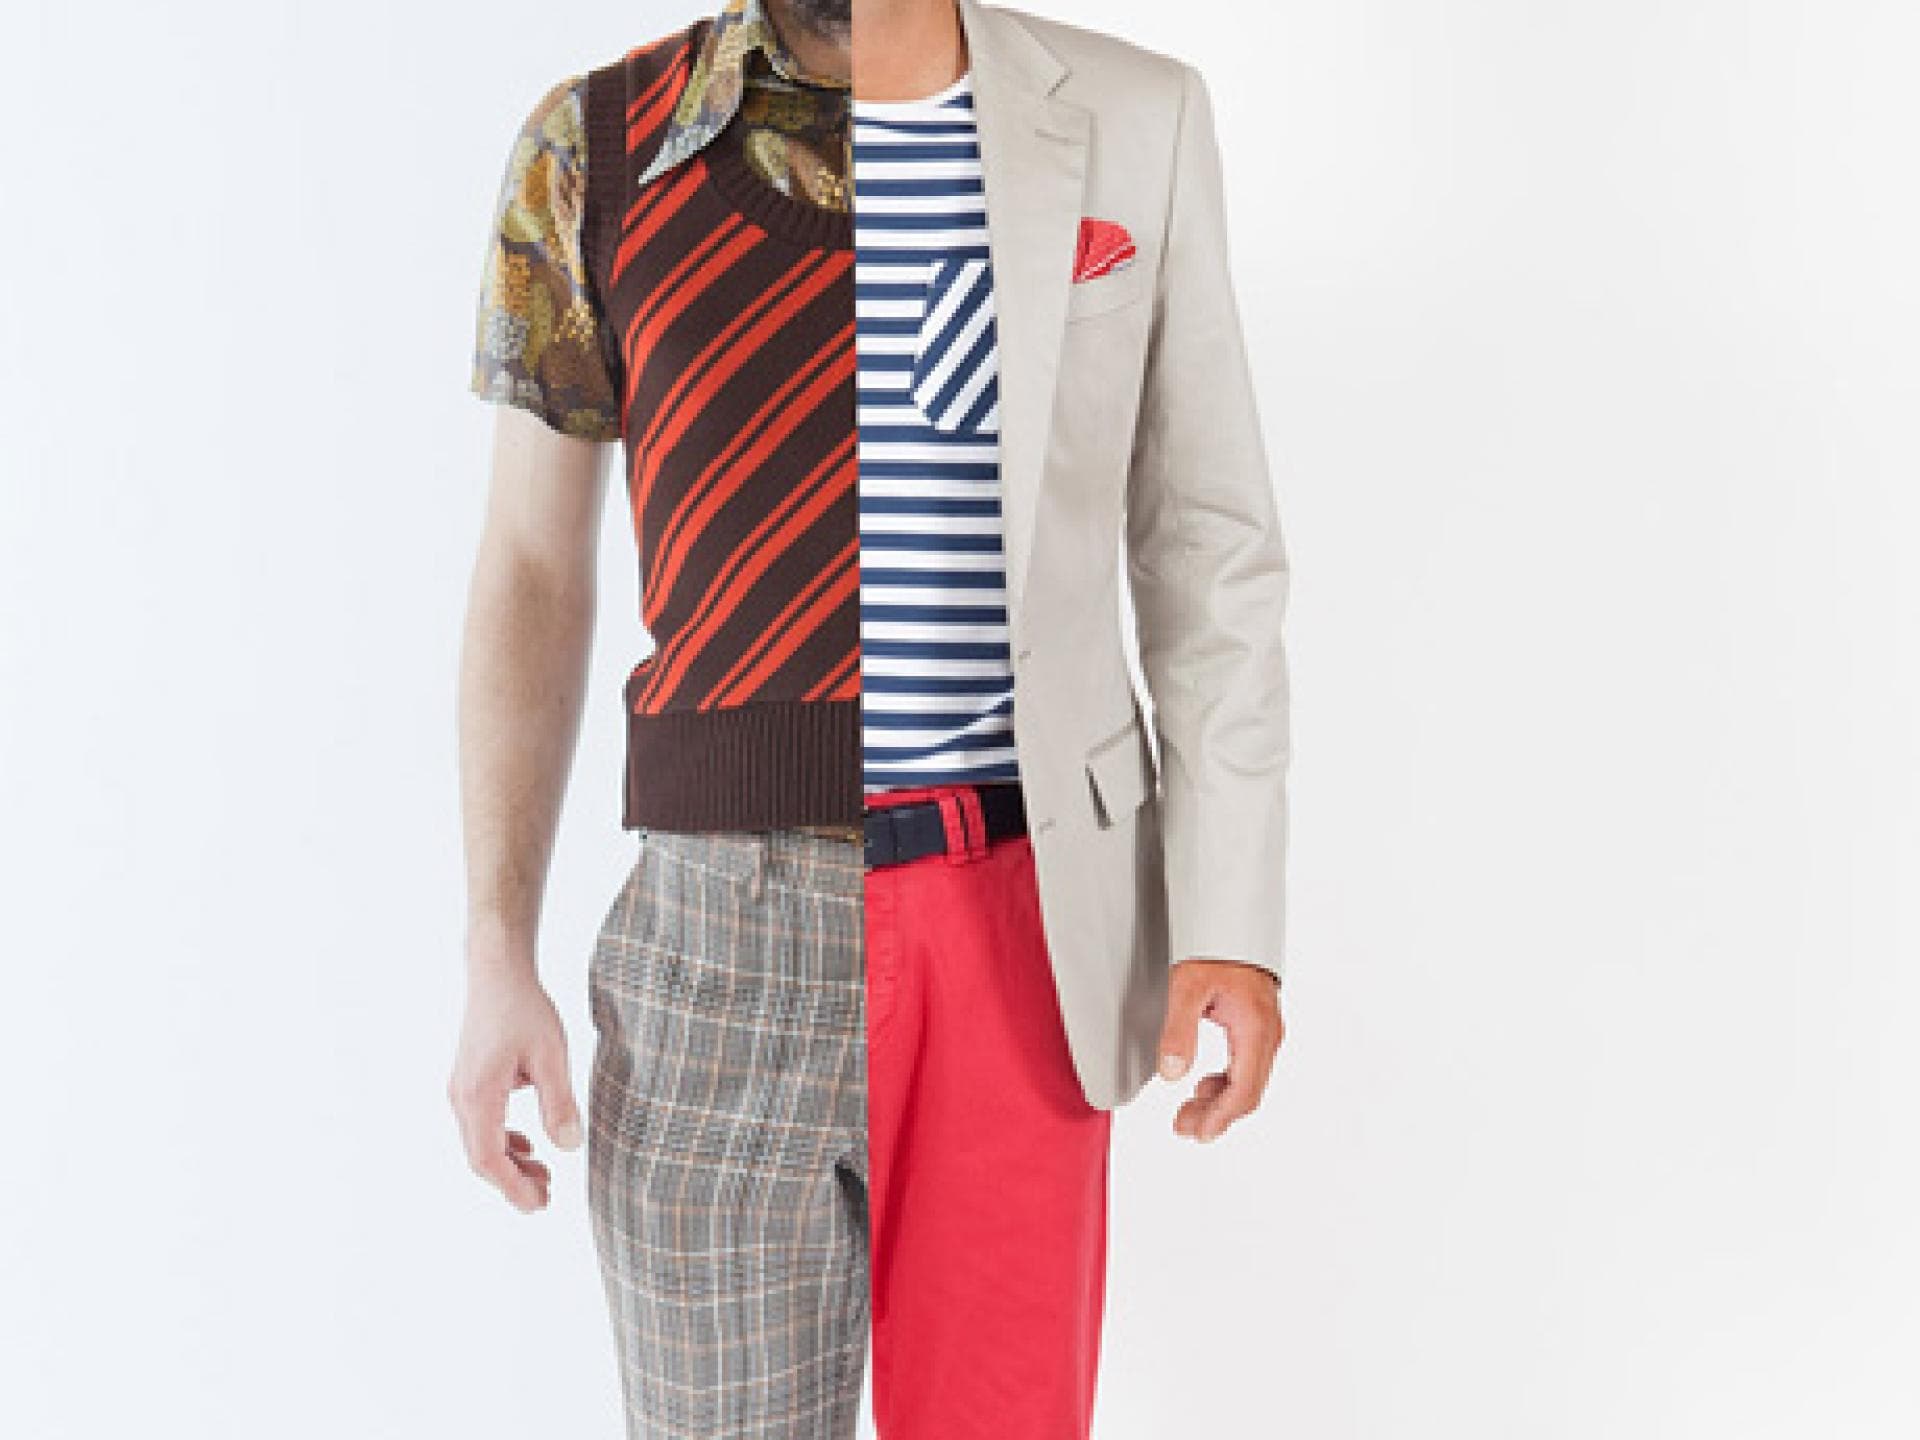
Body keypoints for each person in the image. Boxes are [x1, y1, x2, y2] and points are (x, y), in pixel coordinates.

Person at [451, 0, 1289, 1434]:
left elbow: (1207, 549)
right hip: (711, 953)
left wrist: (1229, 916)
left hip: (1018, 922)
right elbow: (531, 565)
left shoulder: (1136, 116)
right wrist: (495, 950)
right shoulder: (597, 147)